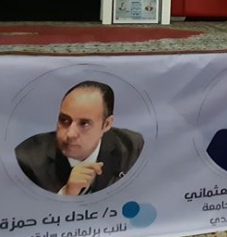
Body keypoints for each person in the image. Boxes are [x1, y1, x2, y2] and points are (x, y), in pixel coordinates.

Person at [15, 81, 144, 196]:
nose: (70, 134)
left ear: (106, 124)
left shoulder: (132, 146)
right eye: (64, 120)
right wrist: (65, 195)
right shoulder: (27, 159)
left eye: (84, 124)